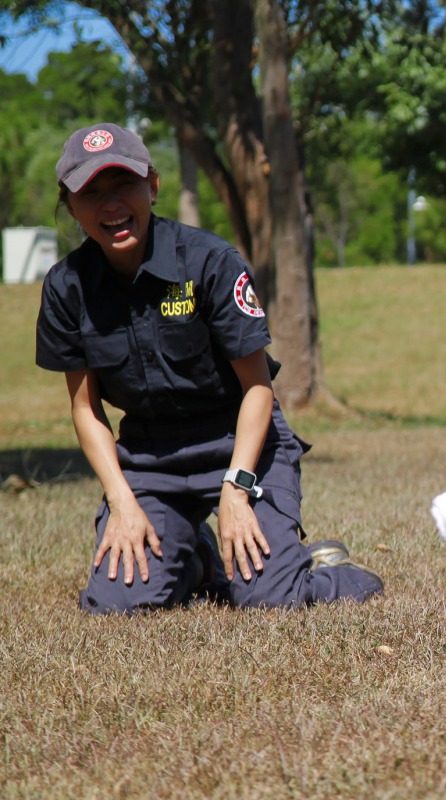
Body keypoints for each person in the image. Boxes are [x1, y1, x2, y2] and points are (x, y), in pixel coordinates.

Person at [36, 123, 384, 614]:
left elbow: (258, 388)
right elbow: (86, 409)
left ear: (152, 187)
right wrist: (121, 499)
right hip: (149, 456)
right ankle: (197, 559)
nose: (110, 204)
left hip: (241, 442)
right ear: (70, 206)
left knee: (268, 600)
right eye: (91, 192)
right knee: (116, 604)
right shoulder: (66, 287)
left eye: (123, 186)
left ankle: (333, 575)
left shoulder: (210, 262)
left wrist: (237, 487)